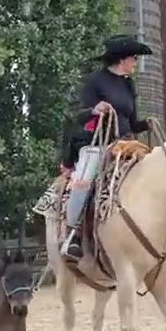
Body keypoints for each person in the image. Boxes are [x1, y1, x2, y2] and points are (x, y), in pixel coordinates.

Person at [57, 34, 153, 261]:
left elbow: (132, 121)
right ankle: (73, 235)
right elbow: (76, 116)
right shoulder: (94, 81)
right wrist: (94, 109)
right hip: (98, 144)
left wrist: (146, 124)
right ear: (122, 60)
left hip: (128, 146)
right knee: (83, 182)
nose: (136, 63)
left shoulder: (129, 84)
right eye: (133, 58)